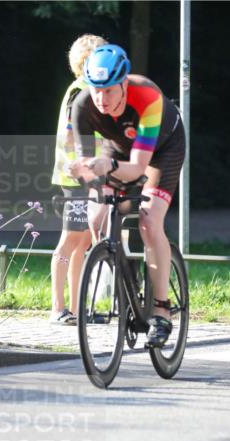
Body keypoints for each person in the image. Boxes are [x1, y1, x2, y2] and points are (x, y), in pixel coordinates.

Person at [68, 44, 185, 347]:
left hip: (161, 151)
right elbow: (88, 163)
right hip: (117, 149)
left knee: (148, 221)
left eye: (108, 91)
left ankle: (161, 309)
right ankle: (123, 276)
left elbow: (138, 168)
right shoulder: (82, 105)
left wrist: (107, 166)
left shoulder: (147, 97)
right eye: (95, 90)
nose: (101, 99)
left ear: (123, 84)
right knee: (96, 218)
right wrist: (82, 169)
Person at [49, 34, 107, 325]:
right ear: (86, 62)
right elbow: (71, 134)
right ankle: (57, 308)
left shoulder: (91, 89)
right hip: (75, 177)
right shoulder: (79, 91)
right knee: (71, 239)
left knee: (84, 241)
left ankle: (77, 309)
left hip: (90, 174)